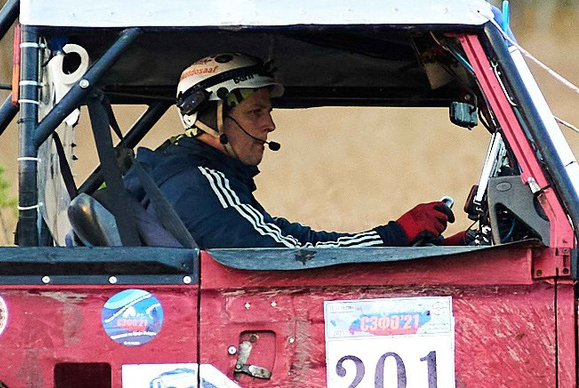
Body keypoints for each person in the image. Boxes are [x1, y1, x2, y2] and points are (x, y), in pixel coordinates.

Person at [139, 54, 461, 250]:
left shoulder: (192, 172)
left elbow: (288, 236)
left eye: (268, 112)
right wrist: (395, 235)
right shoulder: (198, 184)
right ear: (214, 119)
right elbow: (293, 255)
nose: (270, 125)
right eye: (255, 113)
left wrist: (412, 247)